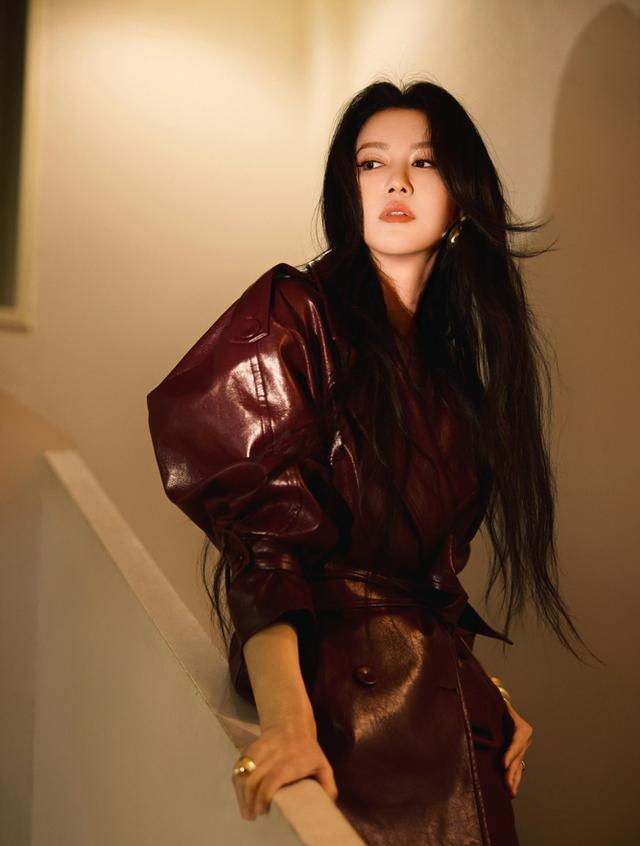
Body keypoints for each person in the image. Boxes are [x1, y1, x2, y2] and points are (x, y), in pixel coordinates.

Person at [146, 79, 598, 846]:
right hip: (339, 710)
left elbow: (431, 583)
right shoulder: (294, 313)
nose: (396, 181)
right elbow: (264, 548)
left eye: (424, 161)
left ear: (462, 200)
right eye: (371, 163)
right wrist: (289, 724)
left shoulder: (456, 382)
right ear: (346, 190)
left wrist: (477, 686)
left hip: (448, 718)